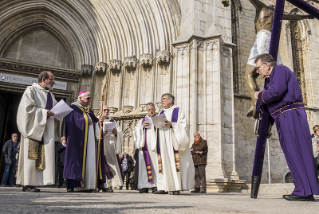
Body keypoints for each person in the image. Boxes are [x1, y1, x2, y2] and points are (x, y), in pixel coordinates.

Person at [254, 53, 319, 201]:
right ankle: (303, 189)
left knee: (297, 150)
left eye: (258, 68)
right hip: (282, 117)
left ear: (267, 65)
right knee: (291, 152)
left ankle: (304, 190)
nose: (258, 72)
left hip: (290, 114)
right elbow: (272, 103)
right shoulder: (271, 78)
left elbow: (277, 91)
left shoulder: (280, 70)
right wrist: (268, 125)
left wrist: (260, 95)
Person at [245, 0, 313, 118]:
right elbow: (295, 17)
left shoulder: (263, 8)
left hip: (262, 38)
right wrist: (309, 15)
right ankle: (270, 104)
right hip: (272, 42)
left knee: (249, 75)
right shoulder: (277, 12)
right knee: (273, 74)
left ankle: (256, 103)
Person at [16, 71, 61, 192]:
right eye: (52, 80)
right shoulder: (31, 90)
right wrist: (44, 112)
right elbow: (27, 110)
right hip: (34, 129)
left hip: (46, 131)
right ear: (44, 79)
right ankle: (27, 183)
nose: (54, 82)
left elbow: (57, 110)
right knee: (31, 156)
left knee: (43, 157)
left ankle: (36, 182)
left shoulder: (50, 96)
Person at [63, 91, 106, 192]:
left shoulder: (89, 111)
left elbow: (94, 122)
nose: (90, 100)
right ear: (80, 98)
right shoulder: (72, 109)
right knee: (75, 160)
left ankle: (89, 185)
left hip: (90, 141)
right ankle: (74, 185)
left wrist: (99, 121)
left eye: (90, 98)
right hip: (78, 141)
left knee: (90, 160)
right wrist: (85, 120)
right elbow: (70, 123)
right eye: (88, 98)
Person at [154, 93, 195, 195]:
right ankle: (163, 186)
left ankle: (175, 187)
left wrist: (172, 125)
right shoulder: (161, 112)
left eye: (164, 99)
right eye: (161, 99)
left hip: (173, 141)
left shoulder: (178, 111)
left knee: (173, 162)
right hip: (163, 142)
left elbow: (184, 126)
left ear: (170, 100)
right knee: (164, 162)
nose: (162, 101)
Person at [134, 102, 158, 193]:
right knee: (144, 166)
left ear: (155, 110)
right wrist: (141, 127)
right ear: (146, 111)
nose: (151, 111)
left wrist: (157, 127)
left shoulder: (158, 118)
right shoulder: (142, 121)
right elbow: (135, 131)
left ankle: (155, 185)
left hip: (155, 147)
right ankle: (143, 185)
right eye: (149, 110)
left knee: (155, 166)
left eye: (152, 109)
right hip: (144, 147)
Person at [101, 105, 124, 192]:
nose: (106, 111)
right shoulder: (97, 120)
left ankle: (112, 184)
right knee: (104, 165)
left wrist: (116, 133)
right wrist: (100, 134)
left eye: (108, 110)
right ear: (100, 111)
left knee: (112, 165)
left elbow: (121, 133)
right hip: (102, 145)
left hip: (110, 145)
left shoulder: (112, 121)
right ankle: (104, 184)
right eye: (104, 110)